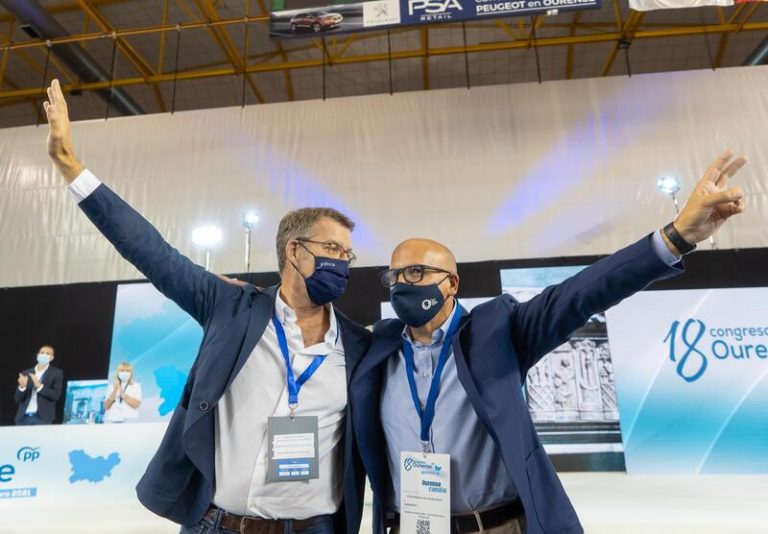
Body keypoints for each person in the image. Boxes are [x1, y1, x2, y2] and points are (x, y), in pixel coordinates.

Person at [350, 150, 749, 534]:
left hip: (495, 526)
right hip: (410, 525)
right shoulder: (378, 348)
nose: (402, 284)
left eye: (416, 272)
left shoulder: (495, 331)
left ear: (451, 283)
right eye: (394, 276)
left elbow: (582, 294)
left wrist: (676, 237)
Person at [43, 79, 370, 534]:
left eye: (348, 254)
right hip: (218, 524)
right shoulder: (230, 306)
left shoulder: (359, 345)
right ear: (294, 250)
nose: (343, 262)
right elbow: (152, 252)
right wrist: (70, 165)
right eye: (332, 249)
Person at [15, 344, 64, 425]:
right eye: (42, 352)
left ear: (52, 358)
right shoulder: (26, 373)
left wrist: (40, 386)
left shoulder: (56, 373)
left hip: (42, 418)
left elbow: (56, 395)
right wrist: (22, 387)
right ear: (37, 355)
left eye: (48, 353)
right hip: (23, 417)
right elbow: (18, 399)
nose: (44, 355)